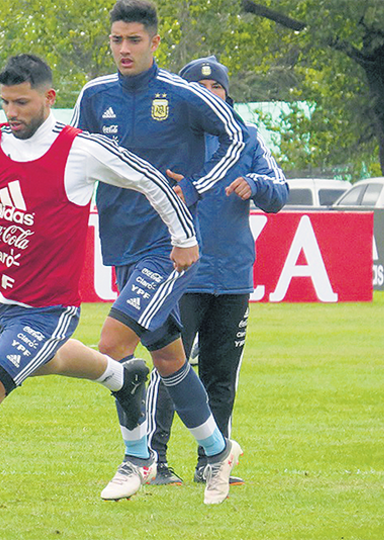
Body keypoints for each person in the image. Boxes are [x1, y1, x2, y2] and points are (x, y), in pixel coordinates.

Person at [0, 53, 198, 525]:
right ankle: (123, 377)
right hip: (2, 300)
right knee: (43, 359)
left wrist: (184, 238)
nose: (12, 113)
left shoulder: (78, 150)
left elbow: (149, 178)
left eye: (23, 103)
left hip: (50, 309)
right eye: (6, 102)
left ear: (49, 98)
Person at [70, 0, 245, 504]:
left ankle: (137, 459)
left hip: (169, 246)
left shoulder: (183, 95)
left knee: (112, 346)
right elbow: (79, 158)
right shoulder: (94, 94)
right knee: (168, 356)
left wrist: (198, 185)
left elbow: (235, 136)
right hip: (120, 241)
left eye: (135, 40)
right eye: (117, 40)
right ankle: (216, 449)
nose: (124, 48)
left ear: (155, 43)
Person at [147, 55, 289, 486]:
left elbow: (279, 191)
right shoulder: (170, 138)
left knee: (221, 373)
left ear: (228, 95)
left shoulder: (247, 138)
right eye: (201, 90)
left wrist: (258, 184)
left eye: (218, 89)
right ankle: (153, 460)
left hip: (232, 275)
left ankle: (213, 461)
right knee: (172, 367)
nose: (211, 96)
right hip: (181, 271)